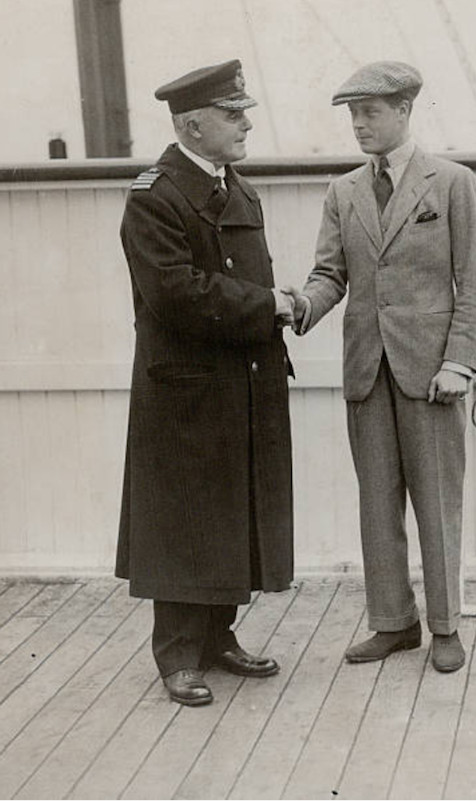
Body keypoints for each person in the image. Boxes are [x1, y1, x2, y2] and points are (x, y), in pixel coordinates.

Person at [286, 61, 476, 673]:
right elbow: (330, 275)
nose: (358, 125)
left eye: (370, 112)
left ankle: (447, 626)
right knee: (377, 505)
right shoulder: (343, 190)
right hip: (367, 370)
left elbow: (475, 282)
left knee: (436, 503)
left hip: (433, 375)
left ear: (404, 111)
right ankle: (393, 623)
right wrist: (299, 308)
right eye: (352, 114)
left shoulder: (452, 183)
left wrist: (458, 361)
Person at [116, 59, 295, 706]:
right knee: (183, 520)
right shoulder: (154, 196)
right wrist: (270, 305)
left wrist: (268, 306)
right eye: (232, 112)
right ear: (193, 124)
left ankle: (218, 636)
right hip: (186, 390)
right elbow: (177, 295)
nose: (245, 121)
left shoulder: (233, 185)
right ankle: (177, 655)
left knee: (232, 512)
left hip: (242, 380)